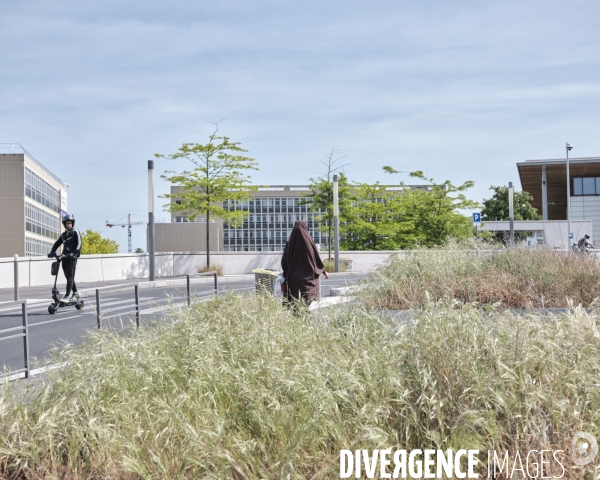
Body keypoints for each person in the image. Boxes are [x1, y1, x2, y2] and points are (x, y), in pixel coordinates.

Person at [281, 221, 329, 309]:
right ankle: (303, 317)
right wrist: (323, 271)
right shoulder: (310, 243)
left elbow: (284, 262)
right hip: (307, 279)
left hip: (293, 279)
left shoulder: (289, 244)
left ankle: (297, 319)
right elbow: (316, 259)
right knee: (305, 303)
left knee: (294, 303)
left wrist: (287, 273)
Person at [48, 214, 82, 301]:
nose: (69, 225)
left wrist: (74, 253)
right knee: (68, 277)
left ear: (72, 224)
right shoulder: (63, 235)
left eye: (70, 223)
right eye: (67, 223)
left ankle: (67, 296)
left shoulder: (75, 232)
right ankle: (75, 293)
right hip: (64, 258)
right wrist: (52, 252)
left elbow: (79, 244)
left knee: (70, 277)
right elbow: (57, 244)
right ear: (64, 224)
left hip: (72, 258)